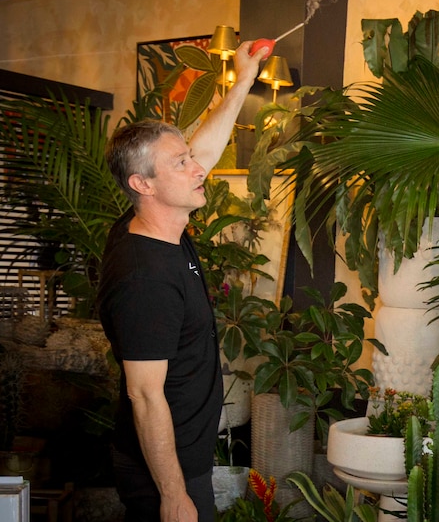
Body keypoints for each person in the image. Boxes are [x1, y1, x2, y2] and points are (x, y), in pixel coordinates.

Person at [98, 39, 269, 522]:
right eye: (181, 163)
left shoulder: (156, 226)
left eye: (189, 158)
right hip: (164, 475)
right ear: (143, 184)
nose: (199, 170)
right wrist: (173, 496)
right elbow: (145, 394)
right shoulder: (144, 279)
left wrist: (243, 81)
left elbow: (206, 151)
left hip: (181, 459)